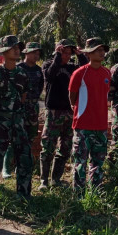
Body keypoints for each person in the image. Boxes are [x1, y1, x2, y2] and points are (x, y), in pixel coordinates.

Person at [0, 35, 33, 216]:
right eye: (13, 48)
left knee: (25, 157)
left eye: (18, 47)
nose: (17, 50)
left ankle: (24, 196)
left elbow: (23, 97)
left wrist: (15, 114)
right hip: (0, 121)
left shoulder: (22, 74)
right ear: (3, 52)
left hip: (18, 120)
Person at [40, 39, 88, 188]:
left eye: (69, 53)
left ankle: (56, 179)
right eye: (64, 52)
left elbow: (86, 70)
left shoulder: (73, 68)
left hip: (69, 111)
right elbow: (50, 75)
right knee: (48, 146)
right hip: (53, 112)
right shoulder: (49, 64)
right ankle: (44, 180)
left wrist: (80, 55)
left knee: (65, 147)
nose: (67, 56)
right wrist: (57, 56)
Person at [68, 38, 112, 189]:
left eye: (102, 50)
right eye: (98, 50)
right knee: (80, 161)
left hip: (101, 126)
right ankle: (79, 195)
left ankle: (96, 192)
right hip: (83, 126)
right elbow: (72, 97)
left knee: (98, 161)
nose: (101, 53)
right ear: (89, 53)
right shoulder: (80, 73)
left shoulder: (107, 72)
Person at [3, 41, 44, 178]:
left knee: (31, 136)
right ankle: (7, 167)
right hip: (18, 106)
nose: (36, 55)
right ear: (26, 53)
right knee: (14, 136)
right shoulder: (19, 68)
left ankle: (22, 166)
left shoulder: (38, 70)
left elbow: (40, 87)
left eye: (38, 53)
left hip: (33, 106)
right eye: (34, 52)